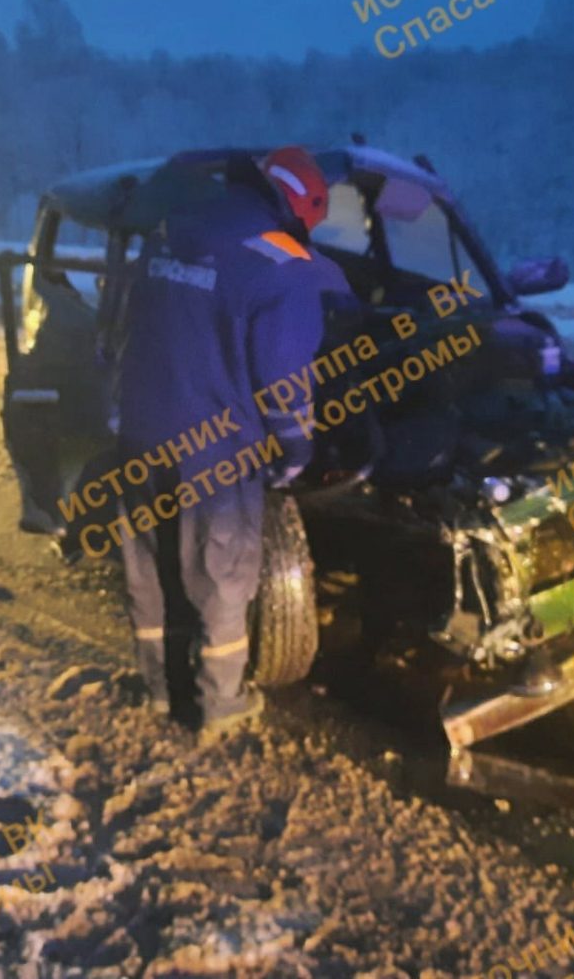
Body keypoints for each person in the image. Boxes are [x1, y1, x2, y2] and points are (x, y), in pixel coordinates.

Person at [114, 146, 352, 740]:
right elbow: (284, 381)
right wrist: (296, 449)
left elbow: (118, 327)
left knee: (151, 569)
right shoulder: (283, 264)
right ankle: (220, 708)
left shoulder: (168, 236)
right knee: (221, 577)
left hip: (139, 438)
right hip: (212, 453)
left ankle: (159, 692)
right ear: (301, 208)